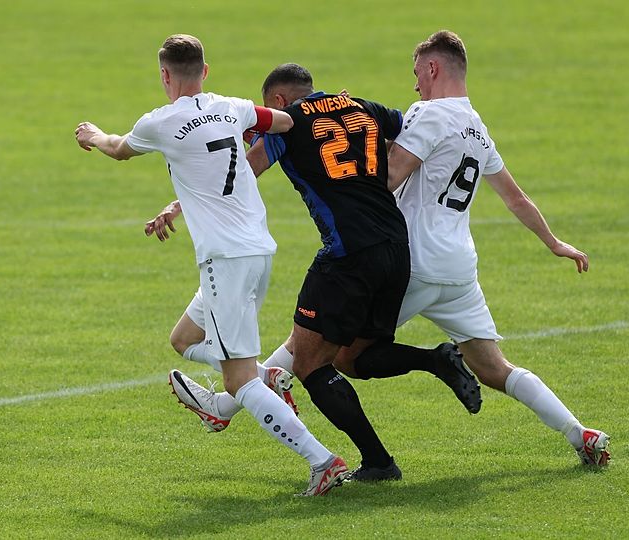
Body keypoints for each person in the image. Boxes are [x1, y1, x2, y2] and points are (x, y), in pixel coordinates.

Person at [150, 63, 484, 483]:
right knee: (353, 358)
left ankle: (364, 460)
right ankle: (434, 361)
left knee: (308, 363)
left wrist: (177, 205)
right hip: (397, 248)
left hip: (347, 256)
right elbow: (411, 128)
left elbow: (240, 173)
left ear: (277, 101)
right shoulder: (362, 106)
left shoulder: (287, 124)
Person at [75, 34, 349, 496]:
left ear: (165, 75)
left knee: (238, 381)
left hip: (225, 259)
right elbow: (285, 120)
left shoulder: (160, 121)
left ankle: (321, 461)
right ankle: (267, 375)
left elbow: (118, 148)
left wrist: (92, 135)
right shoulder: (234, 107)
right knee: (183, 339)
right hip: (257, 251)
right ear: (205, 71)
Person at [366, 29, 608, 466]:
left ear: (433, 68)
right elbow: (516, 198)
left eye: (417, 73)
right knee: (495, 369)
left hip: (413, 263)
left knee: (324, 342)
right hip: (458, 270)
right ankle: (581, 433)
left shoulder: (428, 114)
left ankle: (243, 396)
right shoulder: (477, 130)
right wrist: (554, 243)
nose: (415, 85)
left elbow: (389, 178)